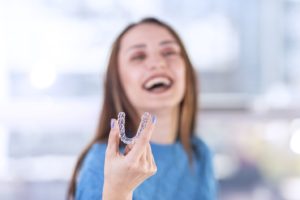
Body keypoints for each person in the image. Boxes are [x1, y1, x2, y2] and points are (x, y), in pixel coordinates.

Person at [67, 17, 217, 200]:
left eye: (169, 52)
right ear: (118, 82)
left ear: (187, 71)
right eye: (138, 56)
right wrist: (118, 191)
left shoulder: (200, 154)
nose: (157, 63)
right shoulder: (104, 162)